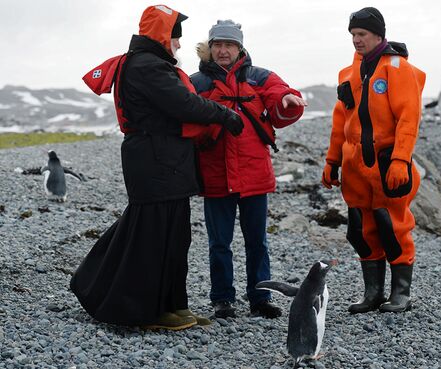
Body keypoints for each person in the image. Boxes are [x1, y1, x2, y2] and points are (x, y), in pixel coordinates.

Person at [71, 5, 244, 330]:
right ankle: (142, 309)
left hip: (161, 160)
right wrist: (225, 115)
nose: (178, 45)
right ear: (163, 36)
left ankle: (170, 307)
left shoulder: (145, 63)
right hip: (156, 160)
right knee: (154, 238)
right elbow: (183, 103)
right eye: (175, 38)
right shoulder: (147, 66)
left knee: (166, 235)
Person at [189, 20, 307, 319]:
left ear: (239, 48)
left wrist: (287, 100)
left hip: (254, 176)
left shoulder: (259, 77)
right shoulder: (196, 82)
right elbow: (180, 110)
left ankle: (260, 297)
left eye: (229, 45)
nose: (223, 50)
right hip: (215, 176)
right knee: (219, 244)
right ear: (210, 48)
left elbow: (280, 95)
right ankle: (222, 299)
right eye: (217, 45)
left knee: (257, 242)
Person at [322, 7, 425, 313]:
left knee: (391, 226)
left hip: (386, 162)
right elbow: (341, 119)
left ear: (378, 34)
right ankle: (373, 293)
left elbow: (409, 118)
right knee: (361, 229)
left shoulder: (398, 69)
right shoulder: (349, 73)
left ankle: (401, 293)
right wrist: (332, 161)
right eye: (353, 34)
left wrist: (400, 160)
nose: (356, 40)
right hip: (355, 165)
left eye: (362, 34)